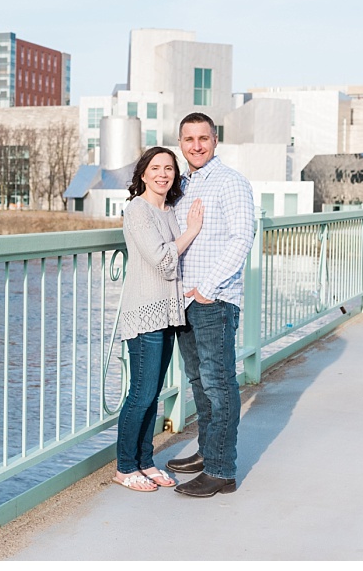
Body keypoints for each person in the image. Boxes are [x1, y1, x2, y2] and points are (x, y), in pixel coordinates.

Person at [167, 112, 255, 498]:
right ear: (180, 143)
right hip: (184, 301)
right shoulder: (183, 184)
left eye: (204, 138)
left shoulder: (231, 182)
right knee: (199, 381)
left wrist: (206, 287)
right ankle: (208, 451)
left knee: (219, 383)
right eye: (189, 139)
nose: (197, 145)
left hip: (213, 300)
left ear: (215, 140)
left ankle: (221, 471)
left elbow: (242, 237)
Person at [113, 147, 204, 493]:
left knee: (152, 394)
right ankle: (124, 467)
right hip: (144, 312)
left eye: (169, 168)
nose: (163, 174)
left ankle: (145, 461)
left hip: (168, 313)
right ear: (142, 174)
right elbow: (165, 261)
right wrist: (192, 230)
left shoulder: (168, 211)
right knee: (141, 392)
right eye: (156, 168)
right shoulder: (138, 211)